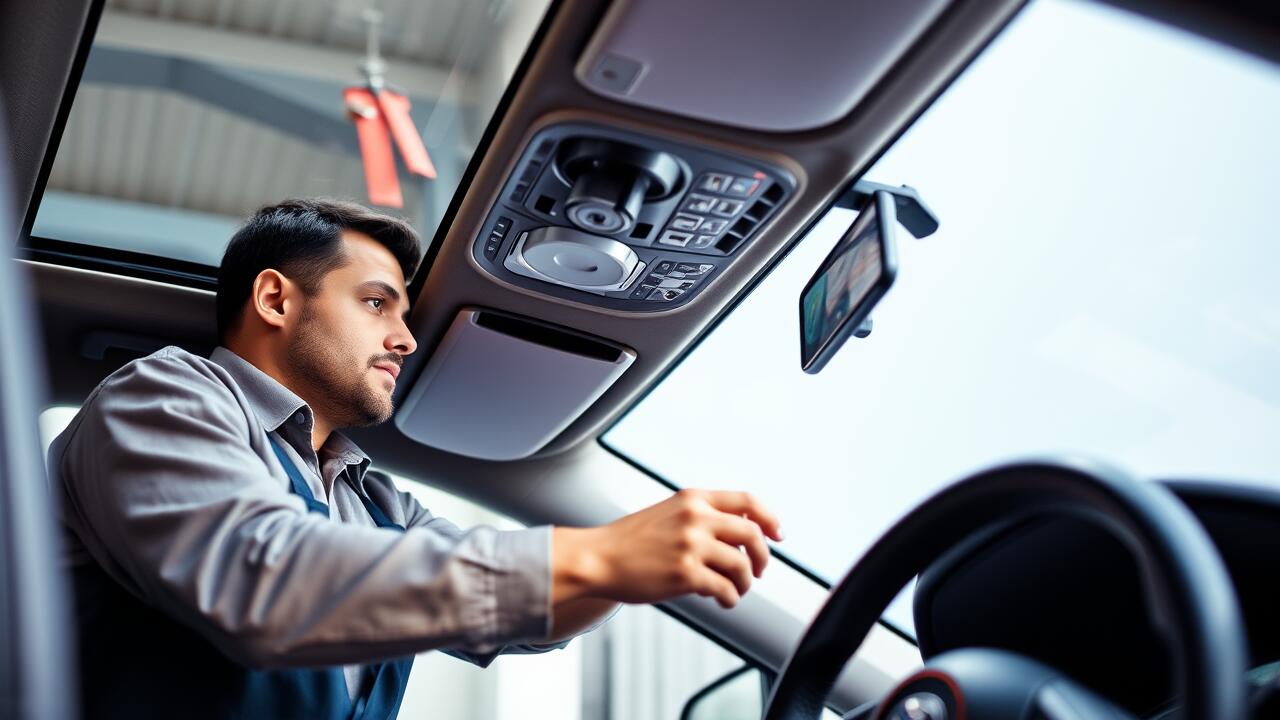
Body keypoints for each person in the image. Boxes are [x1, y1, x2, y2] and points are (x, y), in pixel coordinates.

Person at [48, 198, 783, 719]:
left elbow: (519, 618)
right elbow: (258, 575)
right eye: (377, 304)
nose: (405, 338)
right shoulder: (164, 395)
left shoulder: (372, 499)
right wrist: (598, 557)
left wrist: (640, 563)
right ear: (275, 299)